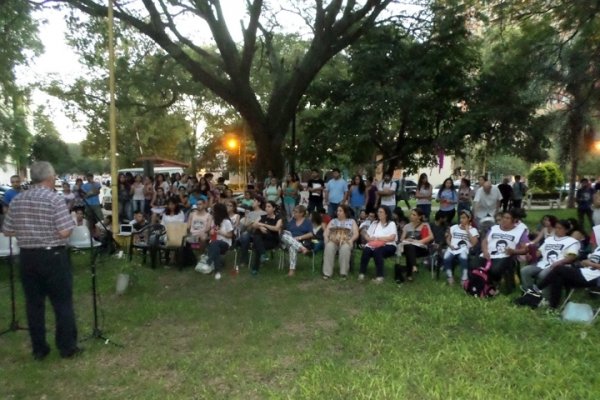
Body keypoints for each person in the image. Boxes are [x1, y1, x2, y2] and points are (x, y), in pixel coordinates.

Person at [2, 161, 81, 360]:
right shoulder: (54, 200)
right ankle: (67, 347)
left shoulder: (18, 200)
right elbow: (64, 231)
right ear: (50, 177)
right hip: (52, 256)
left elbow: (7, 230)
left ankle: (39, 349)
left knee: (33, 305)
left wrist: (28, 231)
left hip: (27, 257)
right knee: (62, 303)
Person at [534, 227, 600, 309]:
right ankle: (553, 306)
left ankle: (537, 289)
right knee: (558, 277)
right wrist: (586, 262)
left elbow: (592, 263)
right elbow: (591, 260)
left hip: (593, 278)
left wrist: (590, 263)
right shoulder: (598, 248)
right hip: (585, 272)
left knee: (559, 269)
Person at [520, 219, 580, 298]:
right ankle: (530, 293)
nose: (557, 230)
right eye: (556, 228)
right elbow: (539, 253)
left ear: (567, 230)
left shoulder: (572, 241)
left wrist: (559, 262)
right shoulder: (549, 240)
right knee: (525, 270)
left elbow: (572, 257)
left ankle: (545, 297)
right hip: (543, 264)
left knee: (543, 274)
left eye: (560, 228)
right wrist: (531, 256)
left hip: (559, 267)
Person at [480, 209, 529, 293]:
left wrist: (514, 251)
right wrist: (485, 251)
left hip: (507, 256)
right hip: (489, 254)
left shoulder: (520, 232)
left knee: (495, 270)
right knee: (474, 264)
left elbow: (526, 249)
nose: (504, 220)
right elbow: (485, 241)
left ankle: (492, 285)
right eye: (503, 217)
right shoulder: (494, 228)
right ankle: (483, 285)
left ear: (514, 221)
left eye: (507, 218)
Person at [358, 206, 397, 283]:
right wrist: (368, 238)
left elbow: (392, 237)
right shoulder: (375, 223)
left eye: (381, 212)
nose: (378, 213)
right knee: (366, 250)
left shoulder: (391, 224)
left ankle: (380, 277)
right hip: (374, 244)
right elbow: (367, 234)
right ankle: (362, 273)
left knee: (377, 251)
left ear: (386, 214)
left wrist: (378, 238)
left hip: (389, 245)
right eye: (378, 212)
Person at [322, 204, 359, 279]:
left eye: (340, 211)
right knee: (329, 247)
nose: (338, 212)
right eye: (337, 211)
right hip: (334, 240)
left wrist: (351, 240)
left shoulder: (351, 221)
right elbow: (326, 232)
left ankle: (343, 273)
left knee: (345, 249)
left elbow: (356, 233)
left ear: (345, 212)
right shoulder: (333, 221)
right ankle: (327, 273)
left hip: (346, 241)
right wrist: (326, 238)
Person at [442, 210, 479, 285]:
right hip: (453, 248)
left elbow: (474, 243)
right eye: (460, 218)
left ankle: (464, 279)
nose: (461, 220)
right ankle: (450, 277)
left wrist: (467, 231)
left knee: (463, 257)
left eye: (464, 218)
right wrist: (450, 245)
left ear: (469, 218)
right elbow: (448, 239)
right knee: (446, 258)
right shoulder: (454, 227)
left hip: (464, 249)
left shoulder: (473, 230)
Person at [397, 208, 434, 282]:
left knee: (409, 249)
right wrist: (407, 240)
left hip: (421, 249)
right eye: (411, 214)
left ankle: (409, 274)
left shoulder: (425, 225)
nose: (411, 216)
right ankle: (413, 266)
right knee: (409, 247)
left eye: (414, 215)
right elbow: (401, 239)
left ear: (419, 217)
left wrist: (418, 241)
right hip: (409, 248)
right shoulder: (407, 226)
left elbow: (431, 237)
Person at [250, 200, 283, 275]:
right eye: (266, 207)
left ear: (274, 208)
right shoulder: (262, 217)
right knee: (257, 238)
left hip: (272, 240)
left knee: (257, 241)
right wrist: (260, 227)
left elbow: (276, 228)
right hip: (262, 240)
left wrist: (263, 225)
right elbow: (253, 225)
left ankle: (255, 268)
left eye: (269, 207)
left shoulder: (278, 218)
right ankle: (263, 254)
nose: (266, 208)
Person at [280, 205, 312, 276]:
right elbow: (286, 231)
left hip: (301, 241)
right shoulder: (292, 221)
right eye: (293, 211)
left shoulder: (307, 222)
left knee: (292, 247)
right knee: (284, 236)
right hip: (288, 241)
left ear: (301, 213)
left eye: (296, 212)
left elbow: (311, 234)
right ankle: (302, 248)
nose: (294, 213)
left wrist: (299, 237)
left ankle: (292, 271)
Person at [206, 203, 234, 280]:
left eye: (214, 211)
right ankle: (217, 271)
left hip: (225, 244)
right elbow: (210, 232)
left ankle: (209, 260)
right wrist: (210, 232)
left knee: (215, 244)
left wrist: (220, 232)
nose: (213, 212)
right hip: (215, 243)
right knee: (215, 247)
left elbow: (230, 235)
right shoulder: (214, 220)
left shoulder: (227, 221)